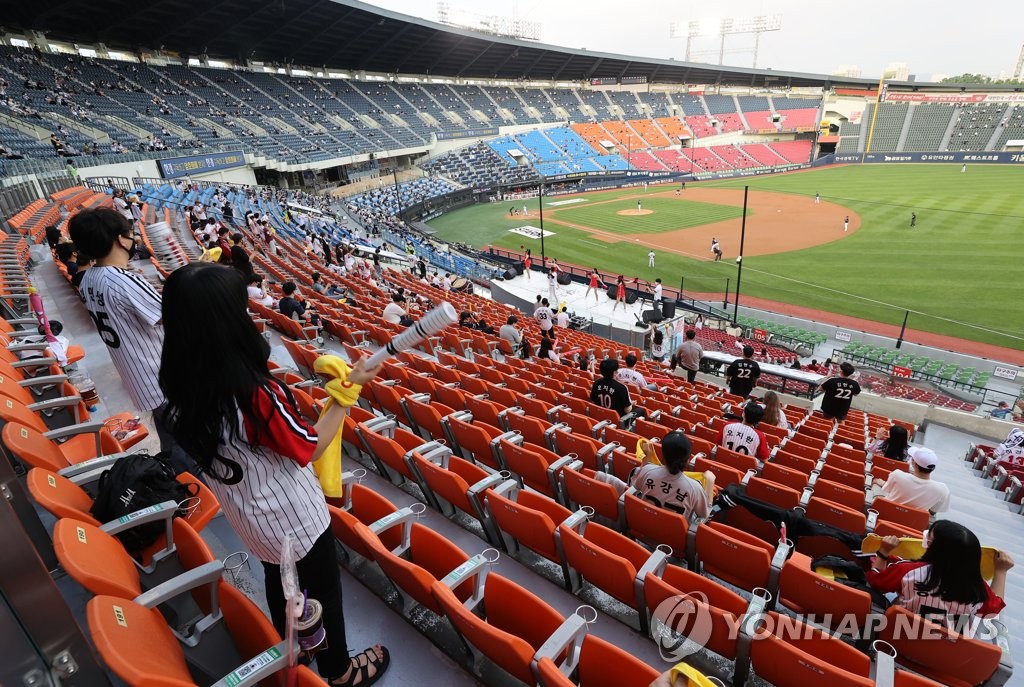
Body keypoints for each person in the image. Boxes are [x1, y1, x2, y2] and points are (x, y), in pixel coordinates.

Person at [158, 263, 390, 687]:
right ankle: (338, 672)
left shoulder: (180, 385)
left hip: (249, 518)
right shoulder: (255, 394)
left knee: (280, 581)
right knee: (323, 591)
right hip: (294, 519)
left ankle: (297, 646)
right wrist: (346, 391)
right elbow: (310, 446)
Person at [67, 208, 192, 474]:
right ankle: (190, 491)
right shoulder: (123, 281)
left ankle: (173, 479)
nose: (133, 237)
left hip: (139, 375)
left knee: (171, 439)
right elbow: (176, 320)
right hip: (163, 375)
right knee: (190, 445)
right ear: (119, 239)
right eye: (129, 233)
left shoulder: (88, 278)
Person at [867, 520, 1012, 619]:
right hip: (940, 655)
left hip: (896, 639)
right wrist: (1001, 571)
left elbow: (876, 582)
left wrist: (883, 552)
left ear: (934, 548)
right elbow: (992, 610)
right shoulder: (978, 589)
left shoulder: (908, 571)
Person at [870, 446, 950, 514]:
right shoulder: (943, 489)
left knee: (876, 485)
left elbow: (887, 490)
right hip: (913, 523)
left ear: (913, 463)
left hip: (883, 512)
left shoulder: (897, 474)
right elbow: (933, 511)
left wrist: (881, 482)